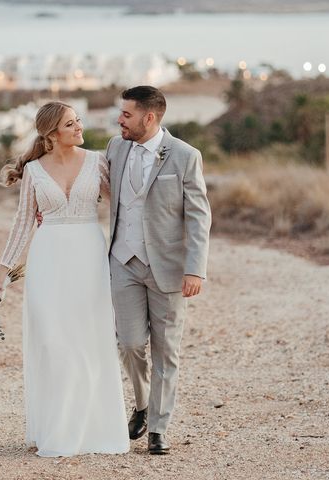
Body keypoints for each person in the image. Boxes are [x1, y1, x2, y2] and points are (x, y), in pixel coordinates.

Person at [0, 101, 129, 457]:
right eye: (71, 123)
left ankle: (95, 430)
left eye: (79, 120)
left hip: (89, 257)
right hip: (48, 259)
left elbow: (123, 207)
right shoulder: (35, 172)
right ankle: (58, 429)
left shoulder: (98, 160)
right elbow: (22, 223)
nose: (79, 127)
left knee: (89, 340)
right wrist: (1, 274)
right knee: (53, 343)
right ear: (52, 134)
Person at [107, 86, 211, 454]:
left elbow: (198, 217)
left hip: (167, 267)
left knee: (166, 351)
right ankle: (142, 404)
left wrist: (195, 269)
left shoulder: (185, 156)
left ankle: (158, 428)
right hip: (122, 262)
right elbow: (97, 188)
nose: (119, 119)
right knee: (130, 344)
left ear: (148, 118)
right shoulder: (115, 148)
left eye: (126, 114)